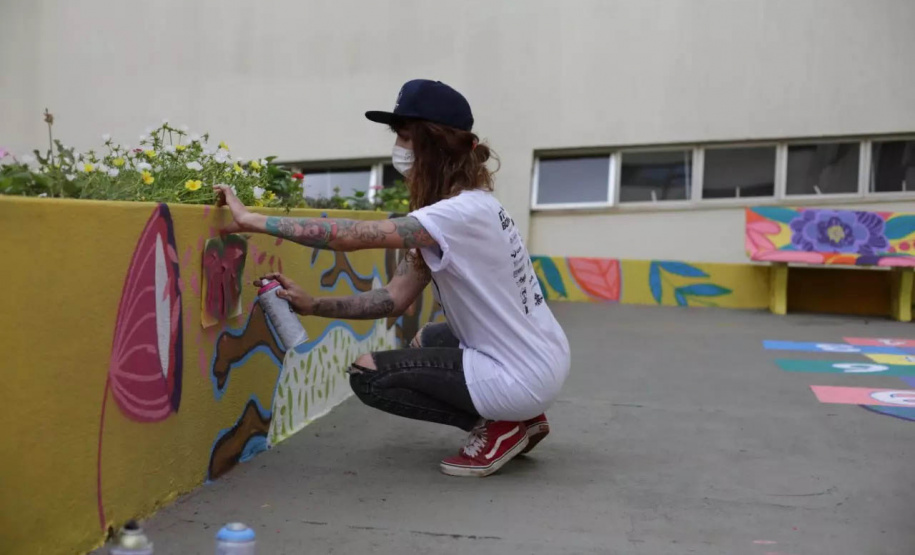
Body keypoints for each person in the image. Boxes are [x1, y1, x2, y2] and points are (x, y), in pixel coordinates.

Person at [215, 79, 570, 477]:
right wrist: (314, 305)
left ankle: (502, 425)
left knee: (368, 375)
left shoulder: (456, 215)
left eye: (405, 138)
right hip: (539, 356)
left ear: (434, 144)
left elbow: (349, 236)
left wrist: (252, 221)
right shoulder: (465, 208)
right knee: (428, 339)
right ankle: (523, 418)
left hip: (521, 375)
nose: (399, 151)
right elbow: (394, 297)